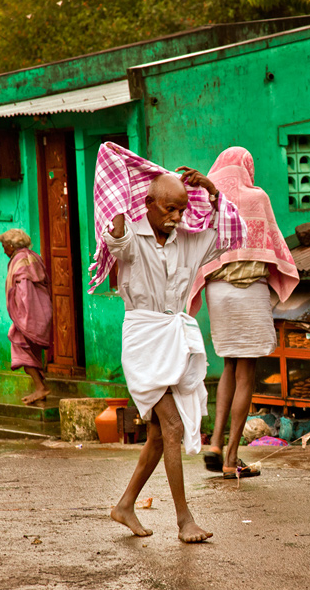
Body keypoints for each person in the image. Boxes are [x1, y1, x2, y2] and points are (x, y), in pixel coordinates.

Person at [91, 142, 246, 543]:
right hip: (143, 341)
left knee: (160, 436)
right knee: (172, 426)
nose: (177, 217)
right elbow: (114, 239)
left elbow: (232, 235)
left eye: (182, 208)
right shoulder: (130, 236)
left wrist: (212, 192)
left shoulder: (190, 240)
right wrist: (120, 213)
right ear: (148, 204)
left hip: (175, 337)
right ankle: (183, 520)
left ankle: (125, 505)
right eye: (169, 209)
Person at [185, 147, 300, 479]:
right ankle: (231, 456)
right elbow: (275, 244)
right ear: (246, 167)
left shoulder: (209, 198)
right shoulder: (257, 197)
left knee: (228, 365)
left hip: (218, 292)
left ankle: (215, 444)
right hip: (249, 292)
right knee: (246, 371)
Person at [0, 229, 53, 405]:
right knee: (31, 350)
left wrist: (23, 318)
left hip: (29, 314)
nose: (3, 249)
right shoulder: (32, 256)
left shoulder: (21, 261)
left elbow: (25, 292)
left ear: (11, 246)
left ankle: (40, 388)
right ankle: (40, 388)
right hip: (40, 312)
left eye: (4, 245)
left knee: (19, 345)